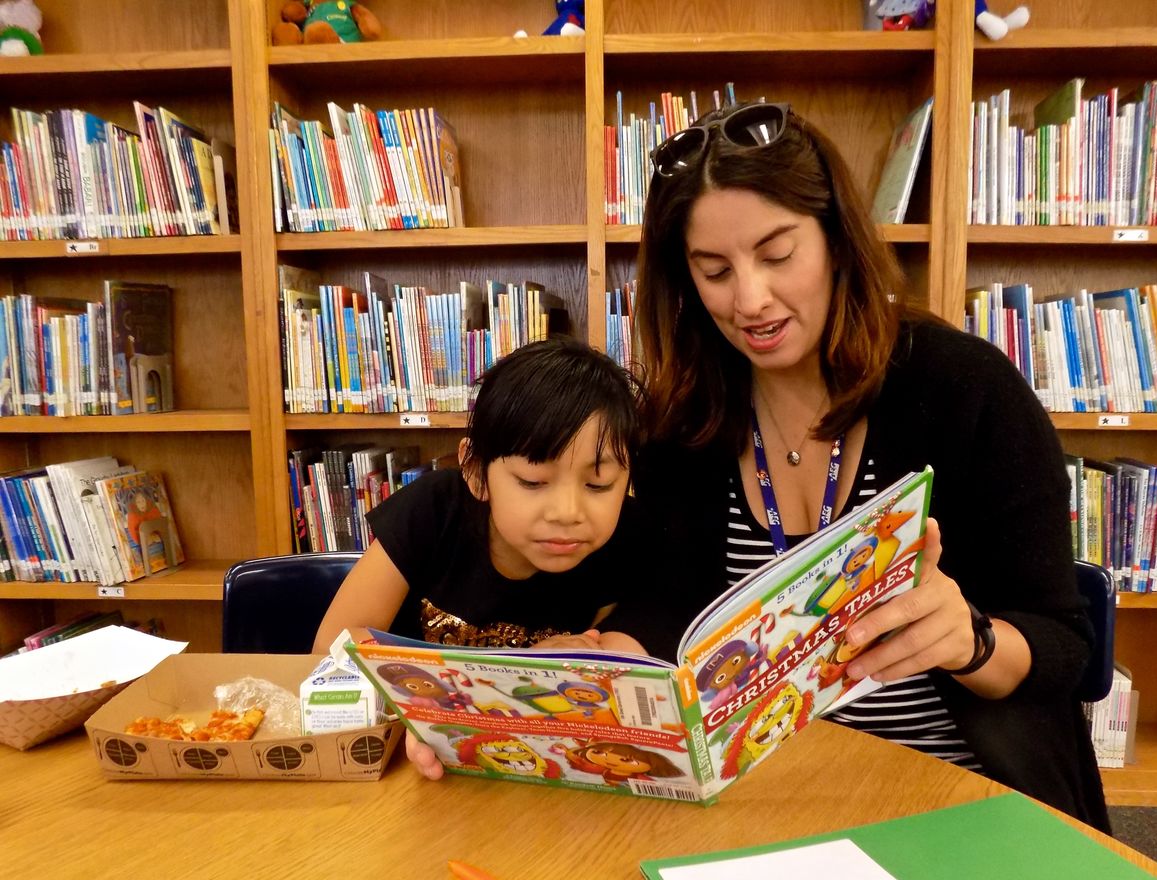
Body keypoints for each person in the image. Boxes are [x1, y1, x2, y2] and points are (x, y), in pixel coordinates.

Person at [618, 99, 1109, 830]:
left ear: (837, 240)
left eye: (779, 255)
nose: (750, 300)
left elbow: (1066, 648)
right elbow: (662, 618)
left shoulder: (964, 391)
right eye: (714, 270)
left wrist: (968, 637)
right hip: (758, 805)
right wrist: (609, 660)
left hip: (960, 798)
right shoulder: (685, 423)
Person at [313, 338, 653, 773]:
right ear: (476, 471)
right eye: (533, 482)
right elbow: (332, 645)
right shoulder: (433, 512)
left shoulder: (625, 539)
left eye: (599, 485)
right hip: (418, 762)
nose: (568, 514)